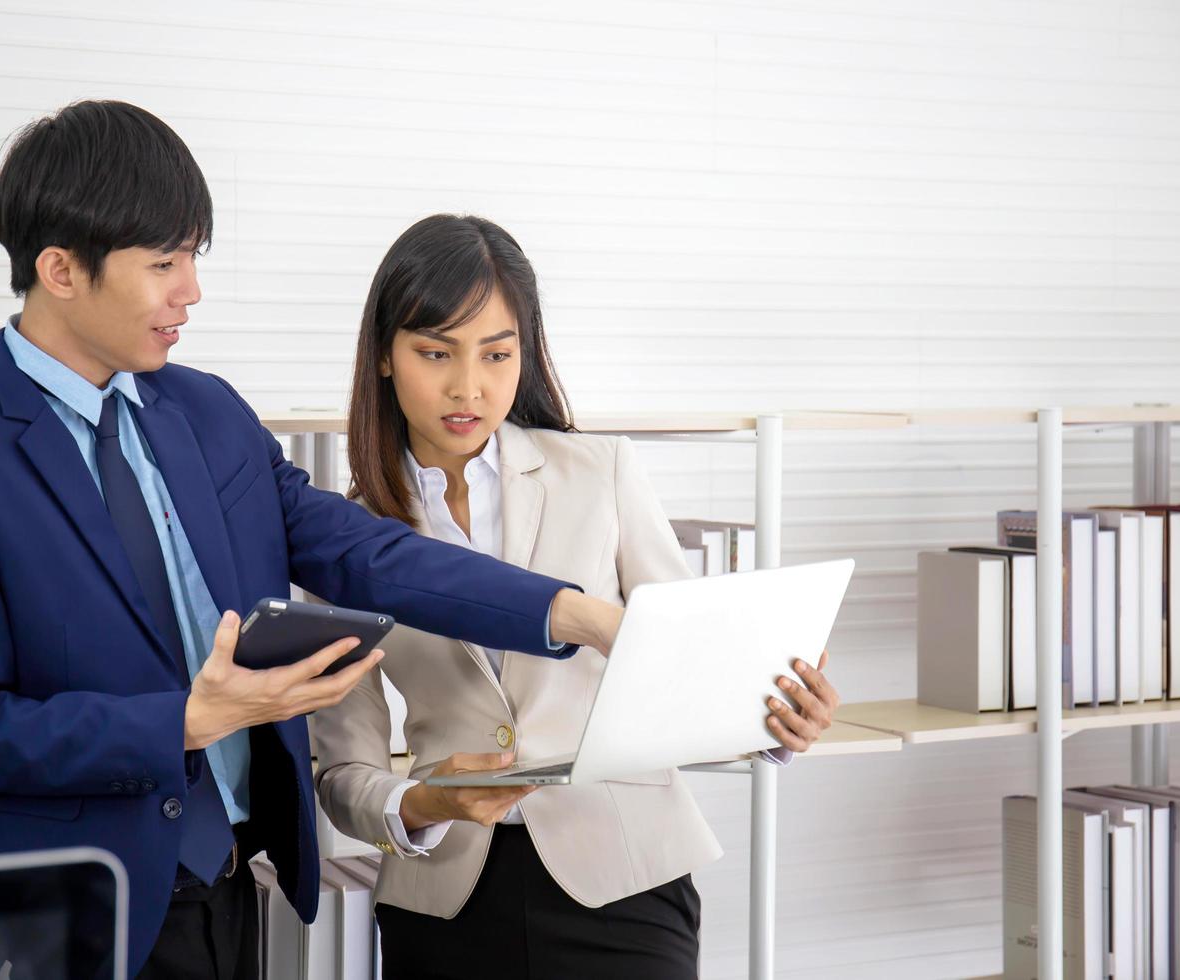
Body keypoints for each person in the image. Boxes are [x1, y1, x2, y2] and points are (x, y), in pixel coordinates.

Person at [0, 103, 628, 980]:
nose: (190, 290)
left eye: (194, 258)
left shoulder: (209, 413)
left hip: (232, 887)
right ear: (61, 269)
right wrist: (189, 720)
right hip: (71, 915)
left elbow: (366, 553)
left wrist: (578, 614)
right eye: (164, 264)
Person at [310, 214, 842, 979]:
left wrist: (777, 722)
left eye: (498, 354)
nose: (470, 387)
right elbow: (343, 775)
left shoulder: (599, 473)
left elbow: (686, 664)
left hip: (621, 875)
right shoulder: (346, 537)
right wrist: (426, 802)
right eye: (436, 353)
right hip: (447, 897)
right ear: (386, 357)